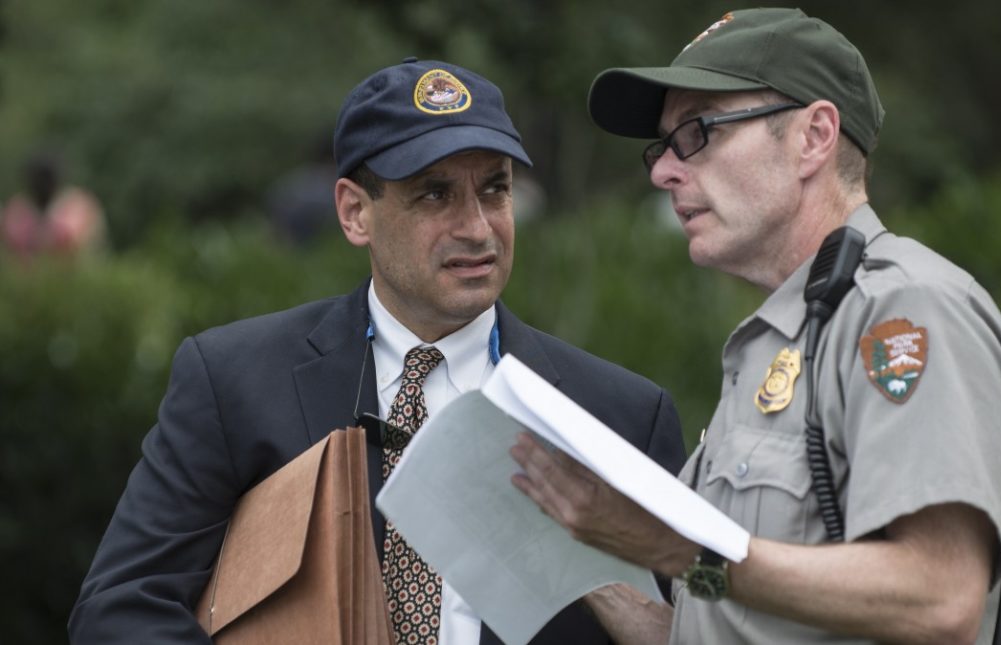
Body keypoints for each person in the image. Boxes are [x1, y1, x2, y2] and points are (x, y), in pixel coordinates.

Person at [68, 58, 687, 645]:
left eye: (495, 190)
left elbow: (693, 629)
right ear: (355, 212)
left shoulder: (621, 416)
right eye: (435, 195)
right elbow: (121, 606)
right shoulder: (236, 381)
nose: (477, 226)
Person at [510, 8, 1001, 644]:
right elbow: (728, 624)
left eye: (697, 132)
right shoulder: (784, 336)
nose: (662, 171)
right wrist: (578, 552)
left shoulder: (902, 310)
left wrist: (679, 551)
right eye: (663, 145)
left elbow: (940, 597)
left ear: (813, 137)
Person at [1, 151, 106, 261]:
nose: (41, 185)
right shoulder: (19, 208)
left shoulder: (77, 204)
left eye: (45, 179)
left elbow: (68, 239)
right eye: (38, 180)